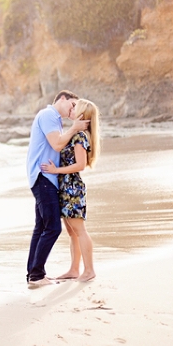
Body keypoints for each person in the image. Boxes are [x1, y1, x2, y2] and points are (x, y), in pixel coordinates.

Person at [26, 90, 90, 289]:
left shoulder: (55, 120)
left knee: (41, 228)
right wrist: (74, 128)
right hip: (44, 177)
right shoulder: (48, 116)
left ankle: (34, 274)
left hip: (44, 178)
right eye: (72, 105)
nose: (73, 110)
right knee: (53, 228)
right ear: (62, 99)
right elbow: (56, 143)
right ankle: (37, 275)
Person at [41, 98, 101, 282]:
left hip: (72, 187)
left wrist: (56, 170)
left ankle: (89, 270)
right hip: (66, 186)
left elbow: (80, 165)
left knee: (79, 230)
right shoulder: (75, 133)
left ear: (82, 114)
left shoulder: (80, 136)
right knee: (72, 231)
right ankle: (74, 270)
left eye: (76, 107)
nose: (71, 108)